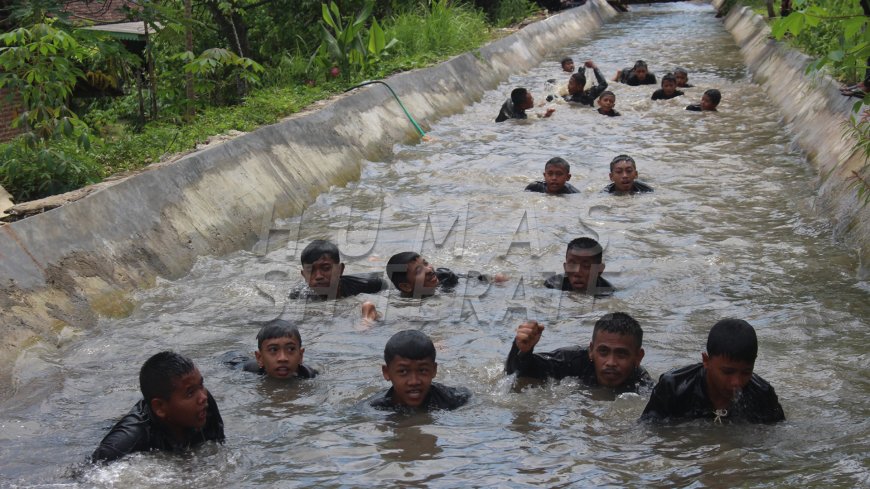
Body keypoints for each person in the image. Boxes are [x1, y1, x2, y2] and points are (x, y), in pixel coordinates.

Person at [641, 319, 785, 424]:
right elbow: (648, 434)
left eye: (746, 372)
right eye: (728, 372)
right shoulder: (674, 388)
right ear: (706, 361)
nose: (737, 382)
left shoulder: (762, 395)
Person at [91, 351, 225, 463]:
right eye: (190, 393)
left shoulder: (203, 405)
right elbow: (84, 477)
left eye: (201, 385)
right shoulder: (124, 442)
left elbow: (217, 446)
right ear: (160, 407)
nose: (203, 397)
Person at [504, 312, 652, 393]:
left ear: (638, 357)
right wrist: (523, 350)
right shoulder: (570, 362)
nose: (611, 362)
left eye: (621, 354)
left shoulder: (642, 384)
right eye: (603, 352)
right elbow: (516, 374)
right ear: (591, 351)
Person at [368, 330, 471, 411]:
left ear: (434, 370)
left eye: (422, 370)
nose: (414, 381)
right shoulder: (375, 407)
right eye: (403, 372)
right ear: (386, 373)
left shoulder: (453, 399)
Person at [291, 240, 385, 320]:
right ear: (303, 275)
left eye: (326, 268)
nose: (318, 276)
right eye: (310, 271)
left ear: (340, 269)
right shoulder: (298, 294)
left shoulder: (369, 284)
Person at [223, 319, 318, 379]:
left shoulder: (309, 375)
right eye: (273, 350)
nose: (283, 358)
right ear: (260, 358)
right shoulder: (251, 370)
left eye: (291, 349)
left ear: (300, 356)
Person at [386, 252, 506, 298]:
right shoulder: (400, 303)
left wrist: (493, 279)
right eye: (418, 271)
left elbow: (476, 278)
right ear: (406, 287)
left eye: (426, 263)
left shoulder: (445, 277)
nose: (429, 270)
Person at [544, 237, 613, 295]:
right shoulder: (553, 284)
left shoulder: (606, 292)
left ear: (599, 270)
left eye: (586, 265)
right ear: (565, 267)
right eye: (572, 265)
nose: (577, 273)